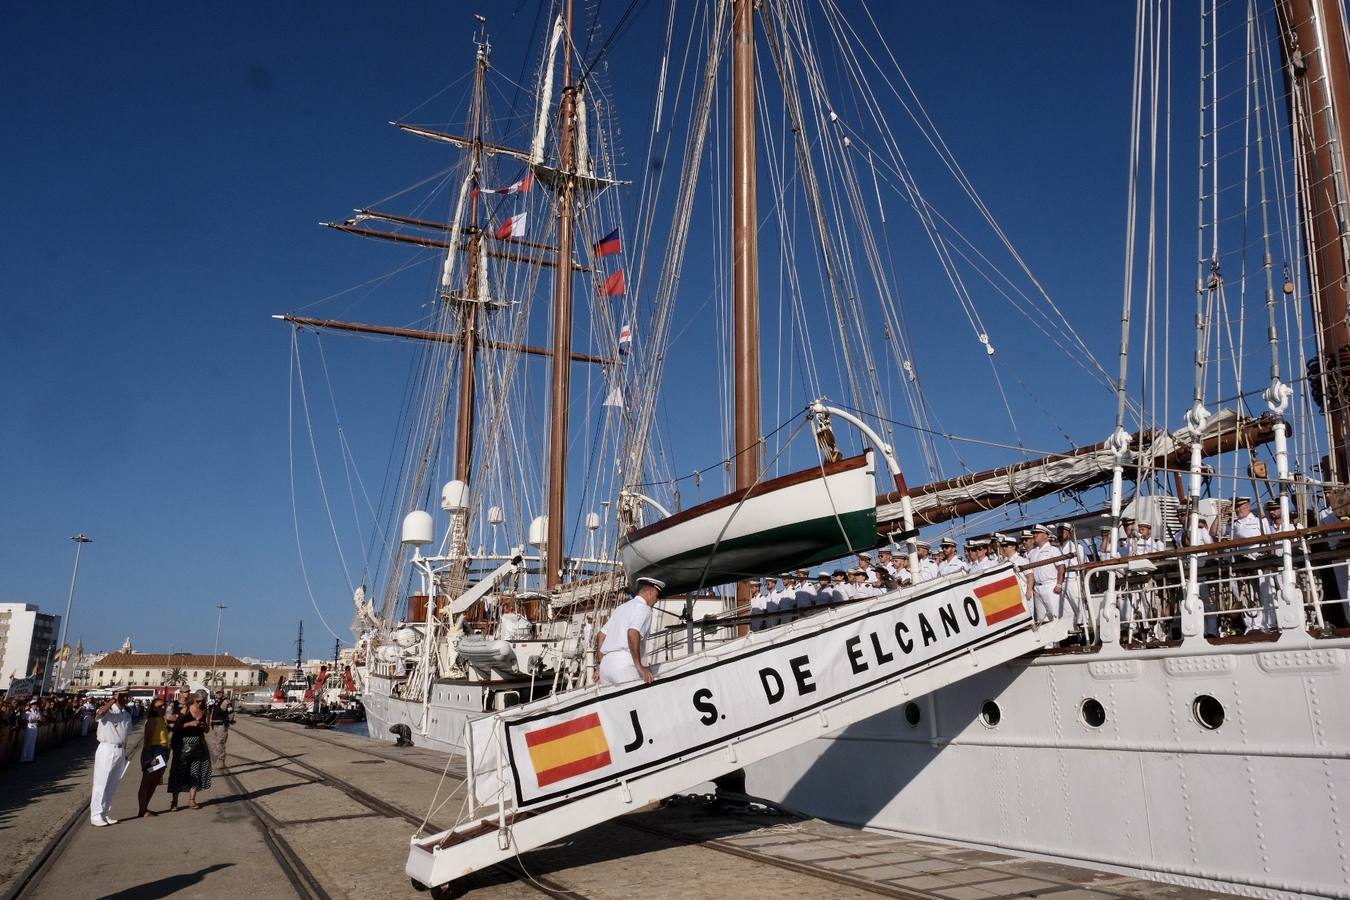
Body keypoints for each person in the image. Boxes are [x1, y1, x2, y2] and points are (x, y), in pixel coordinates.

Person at [596, 576, 664, 685]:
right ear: (651, 592)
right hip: (624, 665)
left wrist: (600, 665)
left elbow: (601, 635)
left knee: (613, 702)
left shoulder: (621, 608)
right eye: (656, 596)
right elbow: (633, 632)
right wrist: (640, 667)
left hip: (606, 666)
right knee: (637, 701)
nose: (656, 601)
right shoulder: (644, 609)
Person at [91, 688, 133, 826]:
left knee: (112, 784)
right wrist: (113, 700)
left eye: (127, 696)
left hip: (120, 750)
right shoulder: (108, 710)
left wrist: (125, 754)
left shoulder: (126, 714)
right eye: (123, 696)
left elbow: (125, 734)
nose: (126, 698)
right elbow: (100, 714)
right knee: (101, 783)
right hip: (107, 748)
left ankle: (104, 813)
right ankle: (96, 815)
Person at [167, 691, 212, 810]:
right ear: (194, 699)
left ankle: (192, 800)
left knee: (196, 771)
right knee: (179, 771)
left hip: (198, 744)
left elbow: (207, 730)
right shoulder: (186, 709)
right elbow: (176, 726)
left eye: (203, 701)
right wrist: (190, 723)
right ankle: (174, 801)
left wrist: (203, 726)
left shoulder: (205, 710)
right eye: (198, 701)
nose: (200, 703)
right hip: (183, 744)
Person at [1024, 524, 1065, 627]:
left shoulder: (1053, 550)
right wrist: (1032, 587)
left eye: (1037, 533)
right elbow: (1031, 572)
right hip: (1037, 587)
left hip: (1050, 585)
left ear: (1046, 535)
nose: (1034, 535)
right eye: (1033, 533)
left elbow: (1061, 567)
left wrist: (1059, 584)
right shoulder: (1032, 553)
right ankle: (1050, 643)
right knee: (1042, 618)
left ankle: (1058, 642)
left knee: (1055, 615)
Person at [137, 697, 171, 817]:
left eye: (164, 705)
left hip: (162, 752)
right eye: (160, 706)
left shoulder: (161, 719)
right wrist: (151, 757)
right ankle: (142, 809)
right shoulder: (152, 720)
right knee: (147, 780)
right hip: (154, 751)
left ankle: (145, 807)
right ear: (153, 708)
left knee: (155, 780)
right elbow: (147, 741)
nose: (163, 707)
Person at [205, 689, 233, 764]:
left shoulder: (226, 702)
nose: (218, 694)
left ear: (222, 693)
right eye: (217, 693)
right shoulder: (215, 702)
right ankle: (216, 758)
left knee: (220, 743)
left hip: (222, 725)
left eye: (220, 693)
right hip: (215, 725)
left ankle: (221, 760)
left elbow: (231, 712)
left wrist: (229, 720)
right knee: (214, 743)